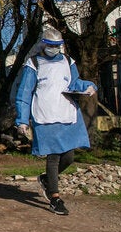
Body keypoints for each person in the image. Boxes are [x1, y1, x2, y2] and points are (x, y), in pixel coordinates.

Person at [15, 26, 97, 216]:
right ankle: (55, 198)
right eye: (51, 45)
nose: (54, 49)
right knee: (53, 156)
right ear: (43, 44)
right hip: (44, 116)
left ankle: (46, 179)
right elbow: (24, 93)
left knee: (69, 156)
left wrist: (88, 86)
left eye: (57, 45)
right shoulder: (34, 63)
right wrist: (22, 120)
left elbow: (75, 83)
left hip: (66, 113)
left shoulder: (68, 61)